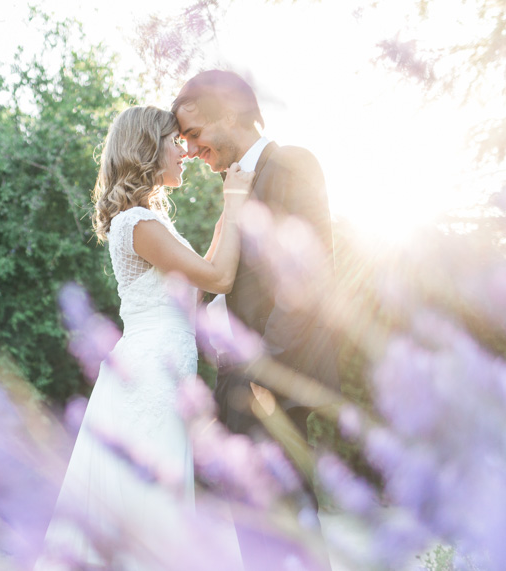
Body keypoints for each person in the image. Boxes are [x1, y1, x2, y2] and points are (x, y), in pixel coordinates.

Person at [37, 105, 253, 570]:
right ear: (147, 149)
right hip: (151, 375)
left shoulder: (146, 222)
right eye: (175, 142)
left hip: (160, 370)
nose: (185, 152)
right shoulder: (138, 224)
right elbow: (217, 279)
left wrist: (222, 223)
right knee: (152, 501)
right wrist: (234, 206)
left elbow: (190, 295)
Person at [172, 69, 340, 569]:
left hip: (270, 383)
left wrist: (261, 376)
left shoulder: (290, 164)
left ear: (227, 112)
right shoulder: (235, 186)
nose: (190, 150)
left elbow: (303, 283)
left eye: (194, 134)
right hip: (234, 385)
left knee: (291, 540)